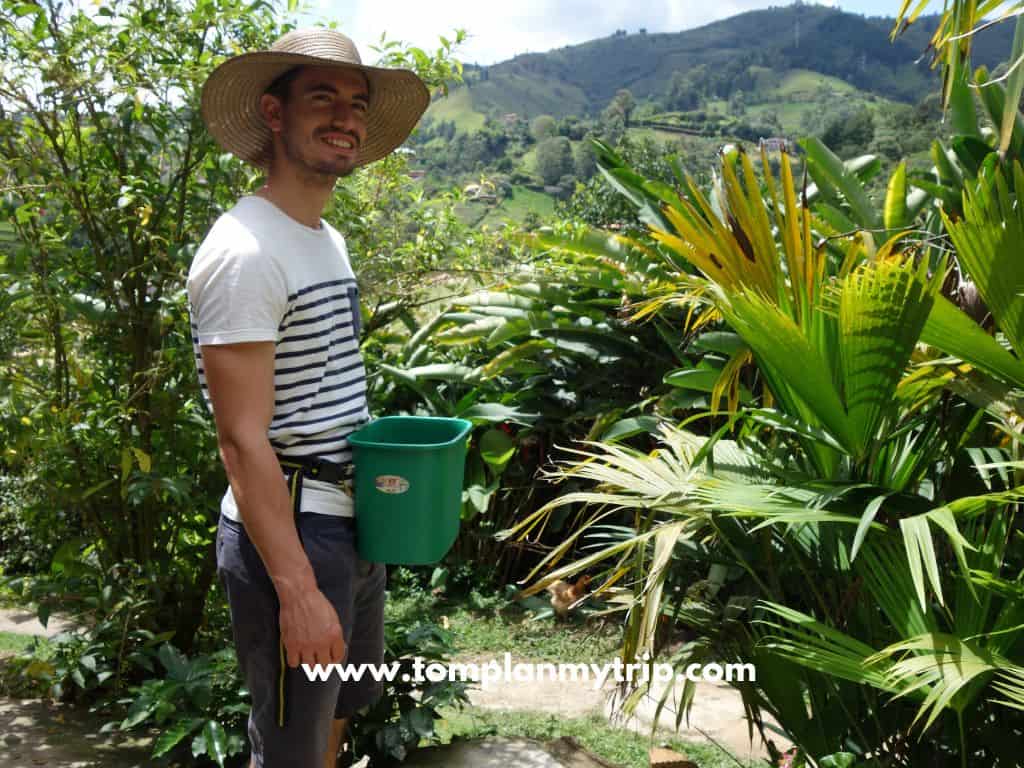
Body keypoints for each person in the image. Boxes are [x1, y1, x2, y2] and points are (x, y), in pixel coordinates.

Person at [187, 28, 429, 768]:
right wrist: (296, 589)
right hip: (293, 540)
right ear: (272, 112)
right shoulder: (244, 253)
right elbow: (241, 441)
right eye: (321, 96)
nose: (346, 116)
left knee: (336, 717)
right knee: (289, 749)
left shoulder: (325, 238)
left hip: (351, 528)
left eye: (356, 102)